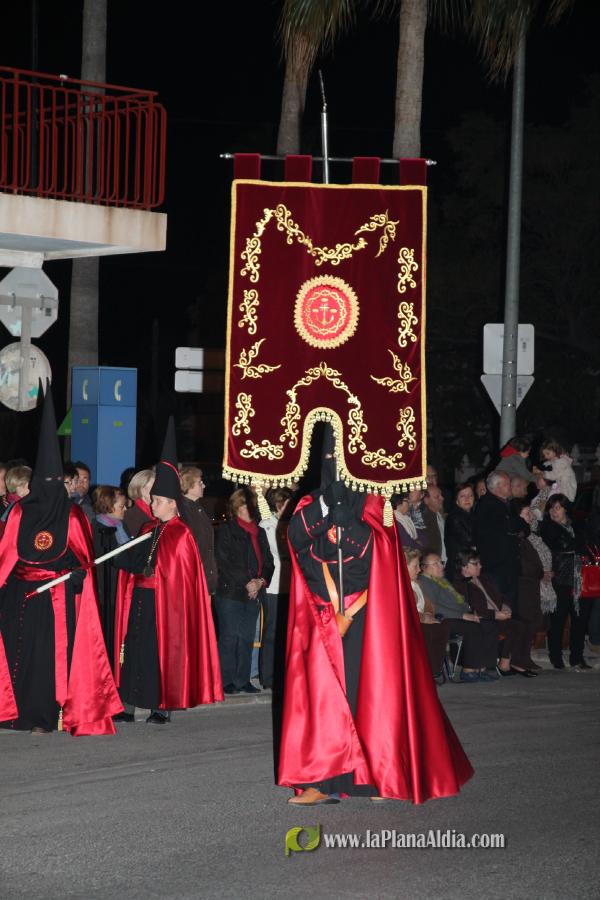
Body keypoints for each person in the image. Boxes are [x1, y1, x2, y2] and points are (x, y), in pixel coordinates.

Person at [278, 425, 473, 805]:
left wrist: (345, 521)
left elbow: (375, 553)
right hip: (321, 616)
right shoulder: (310, 504)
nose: (335, 467)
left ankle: (374, 777)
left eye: (341, 461)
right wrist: (324, 509)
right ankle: (323, 780)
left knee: (368, 698)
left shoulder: (374, 506)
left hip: (366, 616)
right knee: (321, 701)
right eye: (330, 461)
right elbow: (297, 540)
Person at [0, 389, 122, 734]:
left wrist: (77, 578)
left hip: (58, 601)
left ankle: (45, 716)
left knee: (47, 660)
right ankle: (14, 713)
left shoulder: (70, 516)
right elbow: (6, 556)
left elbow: (84, 560)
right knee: (18, 655)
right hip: (21, 599)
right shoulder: (22, 512)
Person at [113, 419, 223, 723]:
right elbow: (137, 561)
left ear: (173, 503)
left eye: (157, 500)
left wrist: (154, 570)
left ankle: (160, 705)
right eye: (153, 498)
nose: (152, 502)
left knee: (158, 651)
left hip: (165, 603)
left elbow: (180, 574)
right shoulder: (149, 527)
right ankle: (128, 704)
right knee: (133, 646)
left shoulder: (181, 534)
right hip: (140, 598)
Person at [215, 488, 274, 695]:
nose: (249, 509)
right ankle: (226, 680)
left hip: (254, 592)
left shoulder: (260, 532)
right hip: (231, 592)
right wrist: (248, 583)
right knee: (230, 636)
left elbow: (269, 562)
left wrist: (260, 581)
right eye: (244, 505)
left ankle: (243, 679)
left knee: (248, 637)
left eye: (251, 506)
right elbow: (225, 563)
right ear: (236, 507)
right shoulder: (226, 530)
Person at [420, 552, 499, 683]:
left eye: (441, 562)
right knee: (473, 628)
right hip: (442, 619)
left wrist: (469, 611)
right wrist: (463, 615)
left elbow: (458, 601)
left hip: (457, 615)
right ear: (424, 567)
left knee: (490, 625)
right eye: (436, 564)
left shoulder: (441, 580)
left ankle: (484, 667)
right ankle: (469, 670)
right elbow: (435, 607)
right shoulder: (425, 582)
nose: (441, 566)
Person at [454, 551, 534, 678]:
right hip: (486, 617)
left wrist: (505, 607)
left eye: (479, 563)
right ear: (465, 567)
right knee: (514, 626)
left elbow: (502, 597)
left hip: (498, 614)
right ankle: (504, 664)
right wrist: (496, 614)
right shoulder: (460, 584)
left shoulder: (484, 579)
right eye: (476, 564)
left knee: (527, 623)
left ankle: (516, 662)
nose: (480, 566)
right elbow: (472, 608)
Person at [540, 494, 591, 670]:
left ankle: (577, 657)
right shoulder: (547, 527)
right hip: (559, 578)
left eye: (558, 507)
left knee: (580, 619)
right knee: (558, 620)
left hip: (579, 578)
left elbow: (583, 545)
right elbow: (565, 546)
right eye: (551, 507)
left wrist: (578, 545)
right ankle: (555, 656)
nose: (554, 511)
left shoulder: (578, 525)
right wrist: (576, 545)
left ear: (565, 509)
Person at [472, 470, 523, 610]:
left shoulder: (509, 504)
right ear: (498, 487)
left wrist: (518, 528)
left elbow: (522, 526)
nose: (510, 487)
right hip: (495, 566)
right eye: (507, 484)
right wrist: (516, 528)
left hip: (509, 564)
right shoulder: (487, 505)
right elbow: (510, 526)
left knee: (510, 605)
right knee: (498, 604)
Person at [258, 487, 293, 689]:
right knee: (271, 632)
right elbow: (273, 554)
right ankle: (268, 676)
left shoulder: (291, 524)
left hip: (291, 584)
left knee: (287, 632)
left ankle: (284, 673)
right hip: (274, 585)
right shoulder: (268, 525)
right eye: (286, 503)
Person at [92, 486, 129, 652]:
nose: (126, 509)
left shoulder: (121, 527)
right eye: (121, 506)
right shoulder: (97, 531)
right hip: (104, 593)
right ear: (108, 506)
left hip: (118, 590)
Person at [405, 548, 449, 681]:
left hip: (422, 620)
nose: (419, 570)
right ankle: (426, 673)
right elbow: (406, 611)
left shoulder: (417, 583)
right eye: (415, 566)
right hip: (411, 623)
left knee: (441, 626)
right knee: (428, 631)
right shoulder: (399, 586)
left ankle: (433, 670)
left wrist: (429, 615)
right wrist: (424, 618)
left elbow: (428, 605)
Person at [180, 466, 217, 596]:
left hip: (204, 579)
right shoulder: (183, 512)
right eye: (200, 483)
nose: (204, 485)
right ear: (188, 485)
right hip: (193, 581)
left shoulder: (198, 509)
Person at [444, 482, 475, 578]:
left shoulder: (471, 515)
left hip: (468, 563)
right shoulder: (454, 517)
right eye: (462, 496)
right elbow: (469, 540)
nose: (467, 499)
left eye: (470, 495)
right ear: (456, 500)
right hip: (460, 567)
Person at [123, 468, 155, 538]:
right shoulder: (130, 516)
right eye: (154, 488)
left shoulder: (158, 511)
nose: (158, 492)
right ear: (141, 490)